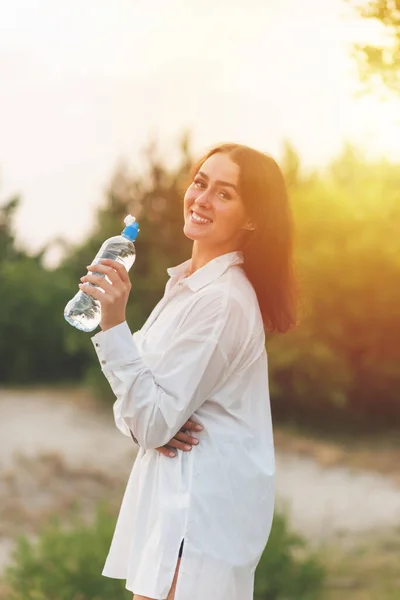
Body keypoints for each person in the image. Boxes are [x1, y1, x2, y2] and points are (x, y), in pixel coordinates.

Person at [79, 143, 298, 600]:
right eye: (200, 182)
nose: (201, 198)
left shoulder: (220, 300)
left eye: (224, 194)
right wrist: (150, 424)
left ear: (252, 218)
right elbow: (141, 410)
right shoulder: (186, 287)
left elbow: (150, 415)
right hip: (172, 508)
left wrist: (115, 322)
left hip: (198, 517)